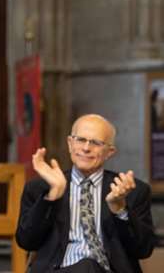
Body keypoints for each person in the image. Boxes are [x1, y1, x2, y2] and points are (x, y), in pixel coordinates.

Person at [16, 114, 155, 273]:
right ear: (70, 144)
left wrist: (120, 209)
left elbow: (143, 250)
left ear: (109, 151)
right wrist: (51, 197)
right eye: (80, 140)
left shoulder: (131, 191)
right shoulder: (40, 188)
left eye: (95, 143)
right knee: (86, 267)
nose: (86, 148)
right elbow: (26, 242)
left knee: (88, 266)